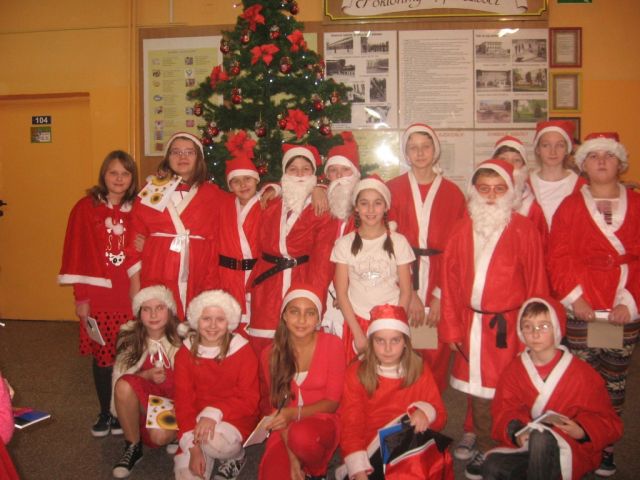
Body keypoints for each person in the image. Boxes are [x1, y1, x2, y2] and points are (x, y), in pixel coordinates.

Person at [439, 159, 549, 479]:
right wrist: (451, 327)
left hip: (510, 326)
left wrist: (536, 330)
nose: (490, 196)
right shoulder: (460, 229)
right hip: (471, 323)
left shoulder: (524, 230)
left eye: (499, 189)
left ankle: (504, 444)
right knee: (478, 391)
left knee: (508, 389)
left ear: (510, 192)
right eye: (484, 189)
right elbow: (449, 283)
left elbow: (537, 283)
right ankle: (485, 442)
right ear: (473, 191)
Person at [547, 132, 640, 476]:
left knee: (614, 379)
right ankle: (579, 439)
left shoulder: (638, 204)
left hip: (623, 304)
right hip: (583, 307)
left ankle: (606, 443)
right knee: (582, 379)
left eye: (609, 155)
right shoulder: (570, 206)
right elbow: (558, 256)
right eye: (594, 156)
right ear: (583, 165)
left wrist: (629, 302)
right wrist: (576, 299)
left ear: (621, 163)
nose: (601, 161)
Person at [484, 297, 623, 479]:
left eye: (543, 326)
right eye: (528, 326)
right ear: (520, 330)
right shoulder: (514, 370)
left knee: (540, 440)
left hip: (570, 446)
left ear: (556, 329)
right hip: (528, 444)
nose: (535, 334)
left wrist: (581, 430)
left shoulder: (581, 373)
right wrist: (516, 432)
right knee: (491, 466)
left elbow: (607, 419)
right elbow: (504, 409)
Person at [58, 150, 138, 436]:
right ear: (104, 175)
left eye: (125, 173)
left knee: (128, 359)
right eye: (113, 172)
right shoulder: (85, 208)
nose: (119, 179)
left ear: (132, 178)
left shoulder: (139, 209)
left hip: (130, 296)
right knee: (104, 359)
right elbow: (76, 254)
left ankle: (123, 412)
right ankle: (106, 411)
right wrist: (81, 298)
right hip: (99, 297)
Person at [387, 123, 466, 393]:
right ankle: (399, 405)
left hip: (439, 277)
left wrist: (439, 294)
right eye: (413, 148)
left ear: (435, 150)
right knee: (399, 349)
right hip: (402, 276)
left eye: (425, 147)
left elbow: (457, 249)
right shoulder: (393, 189)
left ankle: (431, 407)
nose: (420, 153)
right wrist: (410, 293)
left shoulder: (453, 193)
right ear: (406, 153)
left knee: (432, 350)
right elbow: (388, 243)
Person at [337, 304, 452, 480]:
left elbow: (441, 416)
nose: (388, 348)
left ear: (406, 342)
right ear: (371, 342)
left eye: (395, 340)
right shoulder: (356, 373)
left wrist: (426, 412)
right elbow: (351, 425)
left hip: (410, 447)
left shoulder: (420, 369)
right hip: (371, 449)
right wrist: (358, 470)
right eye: (380, 341)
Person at [247, 144, 336, 356]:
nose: (300, 175)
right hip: (267, 284)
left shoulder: (321, 207)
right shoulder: (270, 200)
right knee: (264, 346)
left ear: (314, 174)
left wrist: (316, 298)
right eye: (293, 169)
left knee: (299, 344)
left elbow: (323, 259)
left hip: (301, 279)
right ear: (284, 173)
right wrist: (274, 187)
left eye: (306, 169)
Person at [126, 132, 222, 319]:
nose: (182, 157)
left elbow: (219, 237)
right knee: (160, 323)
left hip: (198, 272)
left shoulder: (213, 194)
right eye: (176, 152)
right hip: (157, 270)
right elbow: (134, 239)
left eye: (189, 152)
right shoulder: (151, 191)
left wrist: (271, 189)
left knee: (194, 325)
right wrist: (135, 283)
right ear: (167, 157)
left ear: (198, 158)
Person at [258, 284, 346, 480]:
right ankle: (299, 460)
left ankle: (317, 472)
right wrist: (293, 458)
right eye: (294, 311)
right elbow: (277, 409)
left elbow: (332, 403)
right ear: (284, 315)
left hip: (322, 422)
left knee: (302, 437)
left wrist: (293, 413)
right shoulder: (270, 355)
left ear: (318, 318)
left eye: (310, 313)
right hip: (284, 429)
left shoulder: (332, 344)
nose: (302, 320)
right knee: (273, 475)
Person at [173, 290, 260, 480]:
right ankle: (205, 452)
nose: (213, 325)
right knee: (188, 476)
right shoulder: (184, 353)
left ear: (229, 322)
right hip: (195, 421)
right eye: (206, 319)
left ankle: (236, 457)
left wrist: (213, 414)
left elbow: (249, 400)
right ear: (196, 320)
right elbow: (183, 403)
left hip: (234, 416)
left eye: (220, 319)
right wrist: (193, 448)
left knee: (214, 442)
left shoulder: (243, 351)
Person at [332, 175, 415, 362]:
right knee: (357, 374)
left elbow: (405, 292)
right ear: (356, 207)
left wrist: (395, 326)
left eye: (377, 203)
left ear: (386, 207)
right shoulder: (344, 244)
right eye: (364, 203)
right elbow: (342, 293)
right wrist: (357, 332)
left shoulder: (399, 242)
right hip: (357, 321)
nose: (370, 210)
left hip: (390, 323)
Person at [111, 285, 181, 479]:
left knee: (160, 437)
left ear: (170, 310)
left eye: (159, 308)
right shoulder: (129, 339)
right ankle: (133, 446)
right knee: (124, 385)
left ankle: (177, 433)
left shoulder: (184, 338)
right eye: (147, 309)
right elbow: (122, 378)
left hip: (177, 403)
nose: (153, 315)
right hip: (144, 406)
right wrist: (146, 375)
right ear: (139, 313)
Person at [217, 155, 263, 331]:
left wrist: (274, 187)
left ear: (257, 180)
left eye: (248, 179)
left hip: (256, 275)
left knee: (255, 323)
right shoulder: (223, 204)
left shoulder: (268, 203)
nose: (243, 185)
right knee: (230, 324)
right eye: (236, 181)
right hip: (227, 276)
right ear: (230, 186)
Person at [321, 132, 361, 338]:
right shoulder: (320, 207)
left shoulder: (366, 211)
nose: (340, 177)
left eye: (346, 170)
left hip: (354, 292)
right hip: (324, 289)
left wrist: (345, 291)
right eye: (333, 171)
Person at [528, 120, 586, 233]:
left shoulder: (582, 187)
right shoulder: (525, 186)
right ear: (537, 149)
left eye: (560, 145)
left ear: (567, 149)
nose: (553, 152)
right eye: (546, 145)